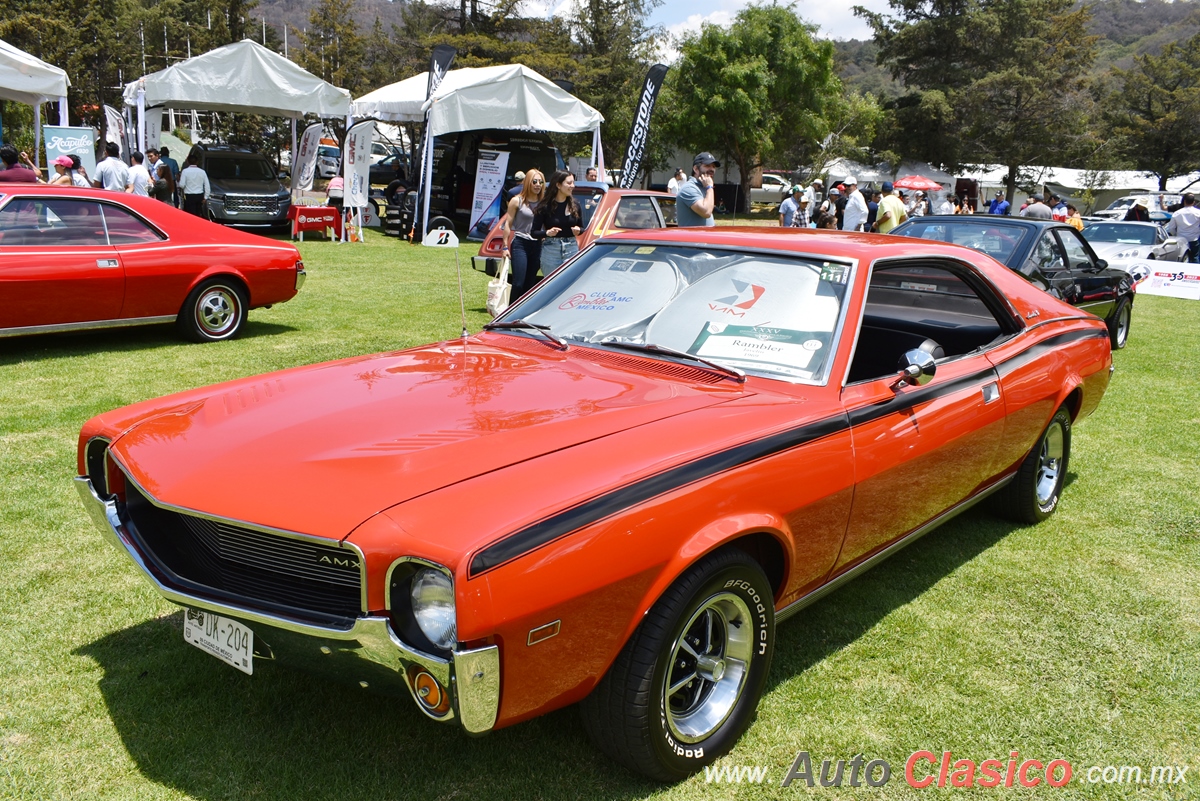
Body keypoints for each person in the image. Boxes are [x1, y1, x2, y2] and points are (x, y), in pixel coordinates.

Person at [502, 170, 545, 300]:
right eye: (535, 181)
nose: (538, 185)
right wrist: (504, 247)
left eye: (541, 182)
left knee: (530, 284)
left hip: (537, 245)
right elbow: (508, 224)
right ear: (527, 182)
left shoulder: (544, 202)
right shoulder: (517, 201)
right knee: (518, 283)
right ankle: (510, 312)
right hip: (520, 243)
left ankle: (522, 315)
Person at [533, 170, 583, 274]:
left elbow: (582, 227)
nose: (572, 186)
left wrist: (579, 230)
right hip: (551, 250)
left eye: (573, 182)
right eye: (569, 183)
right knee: (551, 285)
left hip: (571, 248)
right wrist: (547, 233)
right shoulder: (544, 207)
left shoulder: (575, 205)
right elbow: (534, 232)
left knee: (571, 284)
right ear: (558, 185)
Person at [676, 152, 718, 227]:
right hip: (692, 238)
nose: (712, 169)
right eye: (707, 166)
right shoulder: (688, 188)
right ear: (696, 169)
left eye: (713, 166)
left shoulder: (704, 187)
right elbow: (706, 212)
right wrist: (709, 187)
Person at [1166, 193, 1200, 262]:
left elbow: (1171, 228)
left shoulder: (1177, 213)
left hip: (1181, 239)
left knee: (1182, 258)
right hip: (1194, 239)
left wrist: (1175, 235)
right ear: (1193, 202)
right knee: (1195, 257)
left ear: (1184, 201)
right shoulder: (1198, 213)